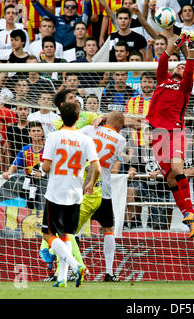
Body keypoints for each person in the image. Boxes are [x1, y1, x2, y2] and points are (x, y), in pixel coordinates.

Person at [145, 32, 194, 239]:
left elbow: (191, 61)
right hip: (158, 134)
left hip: (175, 130)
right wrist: (178, 42)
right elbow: (163, 59)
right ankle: (189, 217)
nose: (179, 66)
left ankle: (191, 212)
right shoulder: (162, 80)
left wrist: (190, 44)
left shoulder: (185, 86)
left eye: (182, 66)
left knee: (177, 169)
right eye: (177, 65)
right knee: (170, 180)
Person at [40, 102, 101, 288]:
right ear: (78, 118)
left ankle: (76, 267)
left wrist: (48, 167)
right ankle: (62, 279)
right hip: (76, 193)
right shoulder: (86, 139)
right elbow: (96, 167)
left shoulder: (54, 136)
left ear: (60, 116)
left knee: (48, 234)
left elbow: (46, 166)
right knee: (67, 235)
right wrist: (90, 183)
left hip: (56, 191)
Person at [80, 111, 127, 282]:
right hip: (103, 188)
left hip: (84, 185)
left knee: (75, 228)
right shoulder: (122, 141)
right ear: (120, 126)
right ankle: (109, 272)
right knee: (108, 229)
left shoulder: (88, 130)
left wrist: (99, 118)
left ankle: (73, 269)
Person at [0, 121, 46, 233]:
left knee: (43, 208)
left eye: (38, 131)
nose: (36, 133)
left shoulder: (47, 149)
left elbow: (51, 165)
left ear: (42, 133)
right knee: (29, 206)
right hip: (30, 184)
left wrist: (43, 172)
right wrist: (8, 172)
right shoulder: (25, 150)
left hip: (45, 183)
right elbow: (16, 164)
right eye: (33, 131)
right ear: (29, 134)